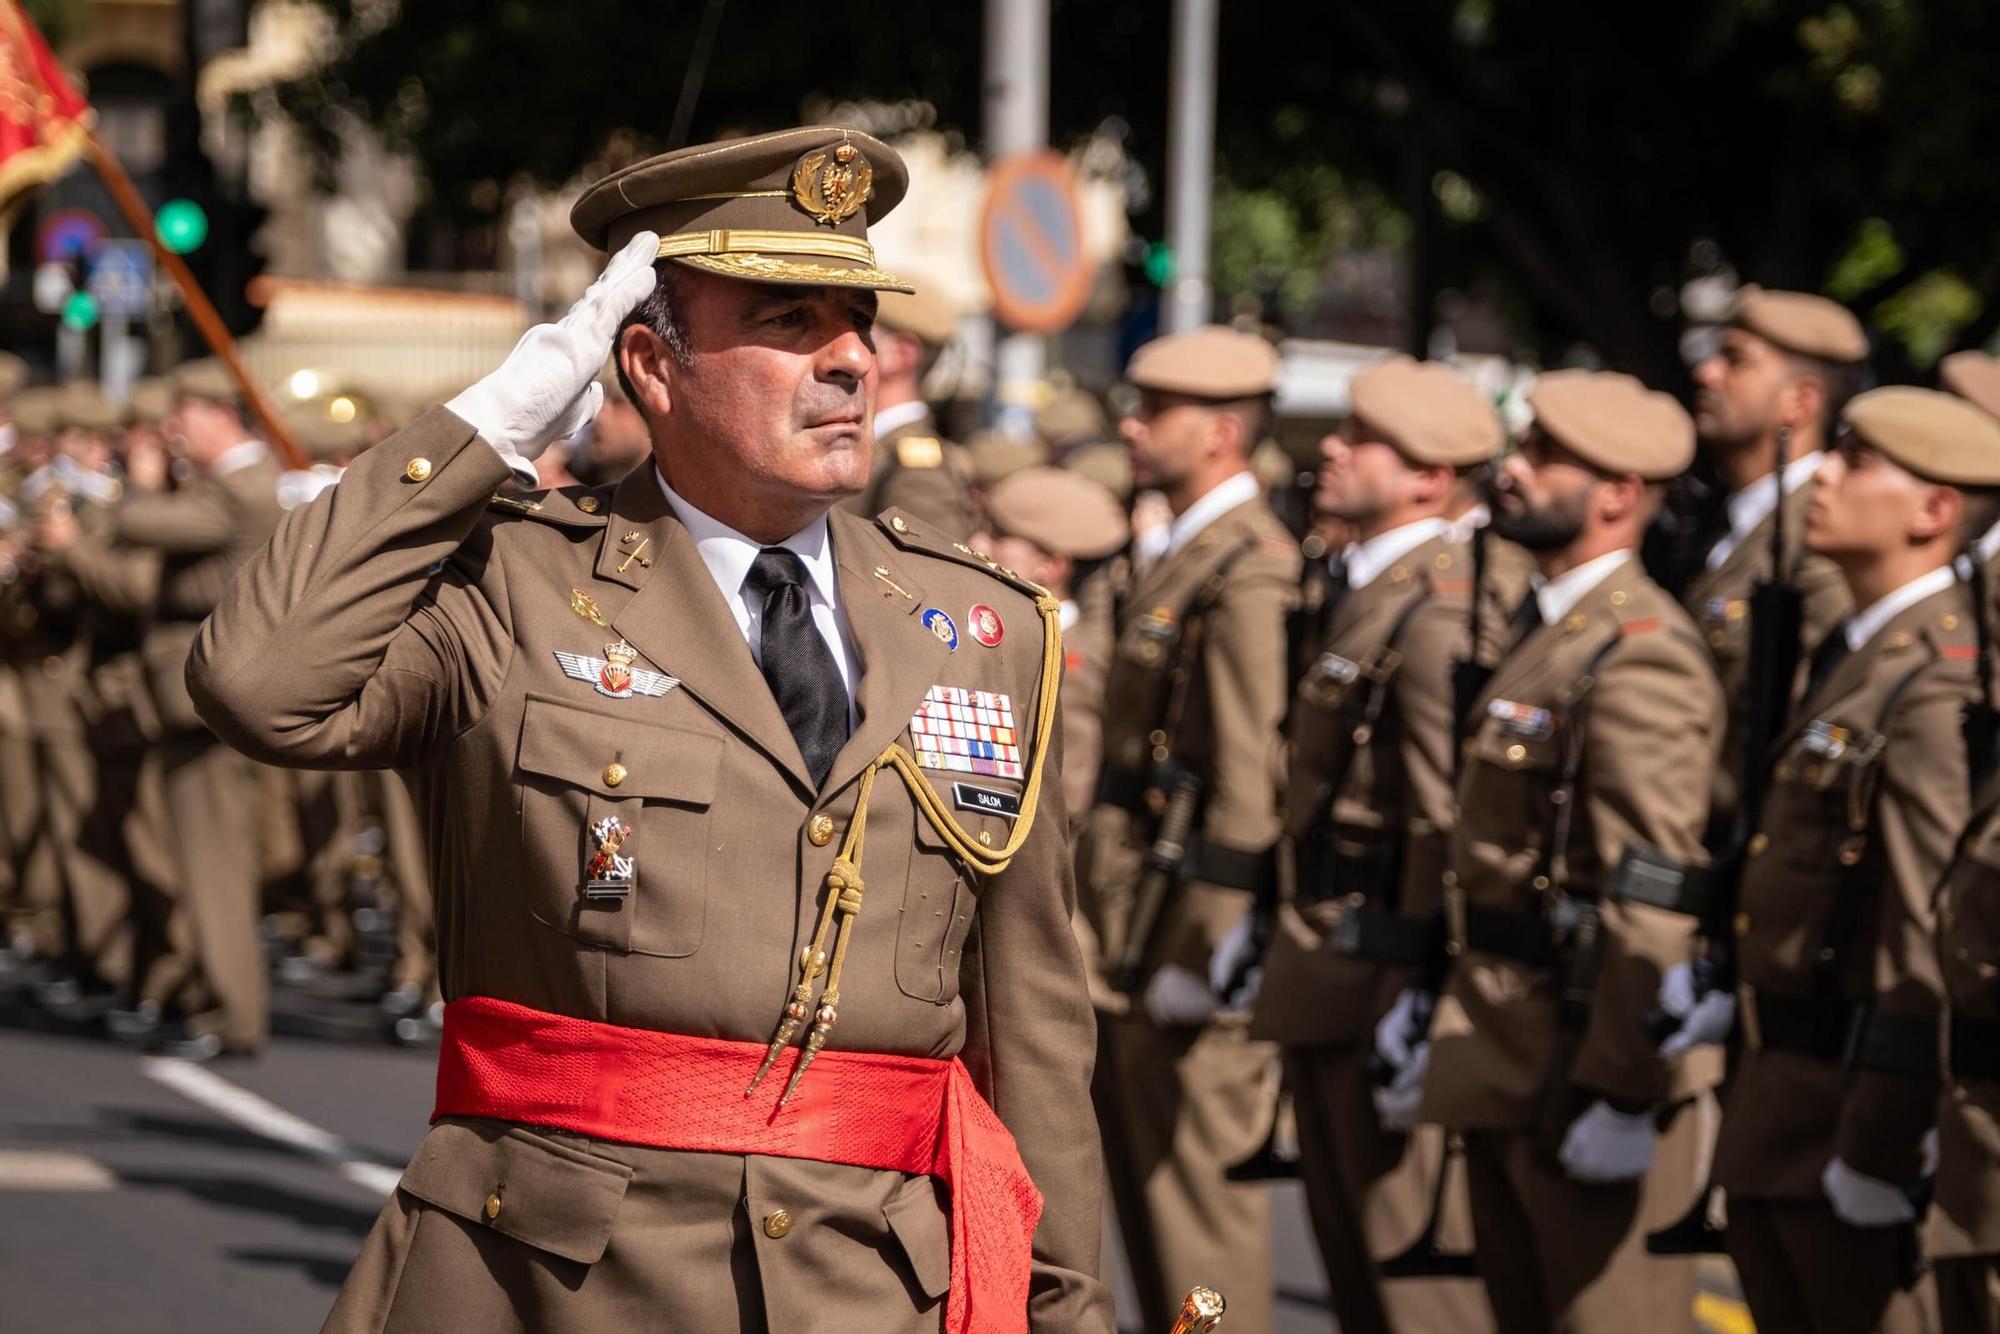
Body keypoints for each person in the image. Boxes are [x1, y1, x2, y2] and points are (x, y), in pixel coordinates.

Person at [188, 125, 1110, 1333]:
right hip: (552, 1277)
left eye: (858, 323)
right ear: (650, 365)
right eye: (788, 323)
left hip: (866, 1285)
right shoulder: (512, 586)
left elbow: (1033, 1022)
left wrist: (1066, 1306)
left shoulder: (978, 626)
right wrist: (500, 418)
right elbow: (260, 680)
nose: (849, 360)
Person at [1407, 370, 1723, 1329]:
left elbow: (1653, 888)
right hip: (1508, 1042)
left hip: (1579, 1057)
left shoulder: (1641, 649)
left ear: (1618, 494)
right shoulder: (1550, 629)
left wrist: (1626, 1090)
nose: (1514, 470)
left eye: (1545, 456)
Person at [1711, 387, 2000, 1334]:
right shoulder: (1861, 650)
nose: (1822, 476)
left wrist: (1879, 1145)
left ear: (1933, 513)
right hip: (1781, 1106)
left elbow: (1927, 938)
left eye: (1858, 462)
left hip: (1846, 1119)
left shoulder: (1939, 679)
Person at [1249, 355, 1500, 1333]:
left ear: (1428, 479)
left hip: (1378, 970)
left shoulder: (1434, 609)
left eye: (1362, 440)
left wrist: (1421, 987)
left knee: (1411, 1289)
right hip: (1326, 957)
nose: (1333, 450)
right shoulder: (1367, 584)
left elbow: (1441, 822)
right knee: (1353, 1270)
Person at [1077, 324, 1299, 1334]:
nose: (1131, 424)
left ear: (1218, 432)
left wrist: (1208, 945)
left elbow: (1247, 781)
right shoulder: (1180, 547)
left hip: (1176, 933)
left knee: (1199, 1229)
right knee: (1149, 1218)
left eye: (1153, 411)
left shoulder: (1247, 566)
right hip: (1131, 919)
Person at [40, 359, 285, 1058]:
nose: (174, 436)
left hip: (205, 694)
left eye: (185, 421)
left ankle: (230, 1011)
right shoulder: (234, 485)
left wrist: (127, 488)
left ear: (220, 416)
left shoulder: (242, 489)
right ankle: (209, 998)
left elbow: (143, 523)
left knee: (211, 859)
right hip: (194, 695)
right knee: (196, 852)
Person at [972, 465, 1128, 824]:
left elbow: (1066, 796)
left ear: (1051, 566)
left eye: (999, 536)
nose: (979, 543)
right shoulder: (1016, 633)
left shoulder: (1069, 657)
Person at [839, 285, 978, 538]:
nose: (838, 349)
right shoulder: (877, 447)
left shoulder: (917, 470)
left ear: (900, 354)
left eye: (859, 330)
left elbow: (933, 573)